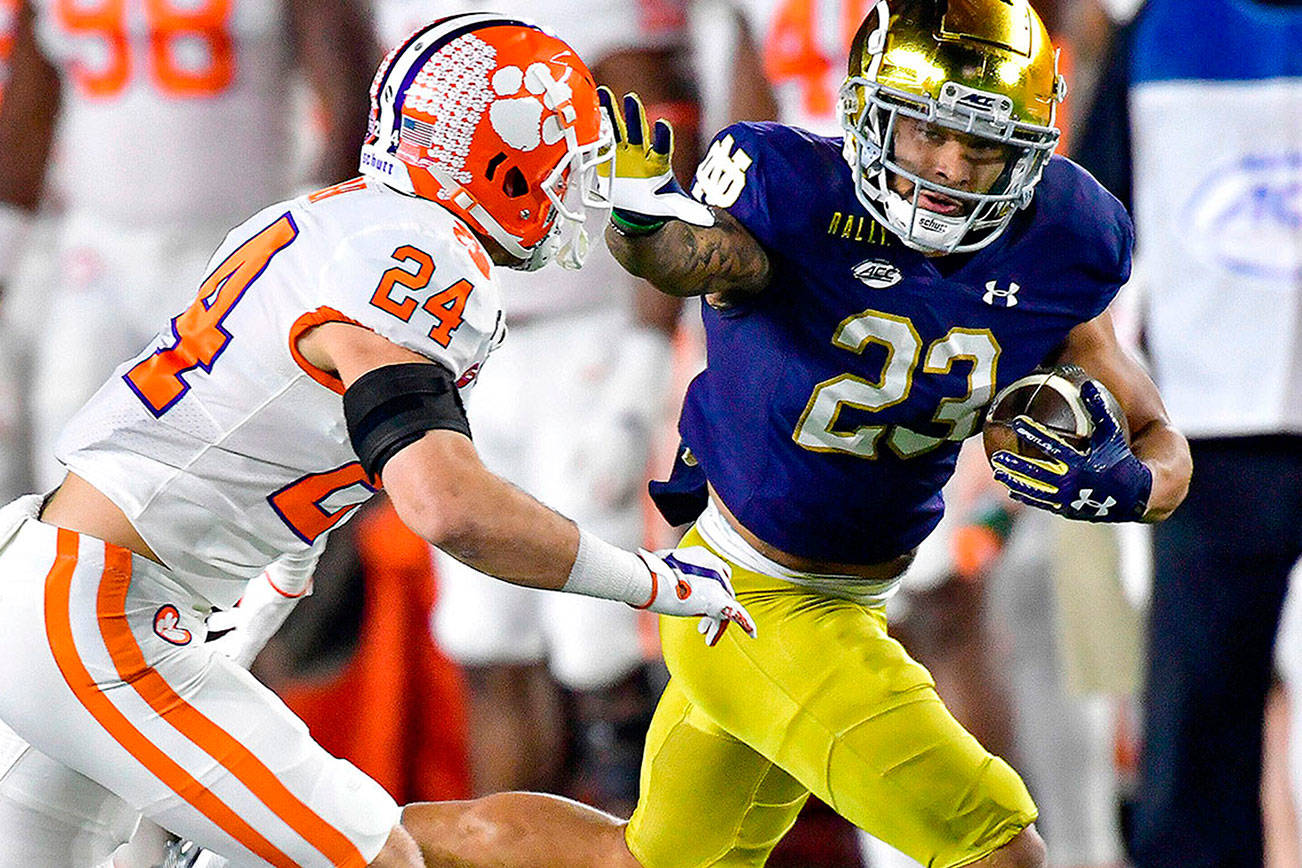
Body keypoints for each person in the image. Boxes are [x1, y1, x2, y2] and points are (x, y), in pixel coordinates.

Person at [385, 1, 1193, 866]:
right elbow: (704, 256)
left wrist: (1135, 483)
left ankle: (346, 837)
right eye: (926, 133)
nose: (951, 166)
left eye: (982, 143)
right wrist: (648, 228)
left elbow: (1157, 435)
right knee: (995, 846)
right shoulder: (792, 189)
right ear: (870, 113)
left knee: (639, 860)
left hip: (846, 597)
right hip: (752, 598)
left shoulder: (1064, 236)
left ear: (1030, 148)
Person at [0, 15, 755, 866]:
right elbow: (448, 508)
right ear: (501, 169)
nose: (572, 197)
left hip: (64, 585)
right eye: (564, 170)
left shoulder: (327, 220)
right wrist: (650, 580)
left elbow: (260, 445)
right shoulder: (419, 258)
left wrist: (261, 601)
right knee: (382, 859)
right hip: (103, 617)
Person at [373, 0, 695, 815]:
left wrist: (643, 362)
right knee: (486, 640)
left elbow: (662, 165)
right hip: (458, 345)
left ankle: (645, 848)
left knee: (601, 649)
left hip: (584, 338)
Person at [1072, 1, 1302, 865]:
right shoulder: (1157, 29)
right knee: (1196, 735)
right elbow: (1087, 227)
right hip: (1206, 435)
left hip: (1212, 423)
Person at [0, 0, 376, 491]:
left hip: (235, 254)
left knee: (240, 473)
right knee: (68, 453)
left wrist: (310, 242)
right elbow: (30, 114)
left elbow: (355, 100)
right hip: (95, 255)